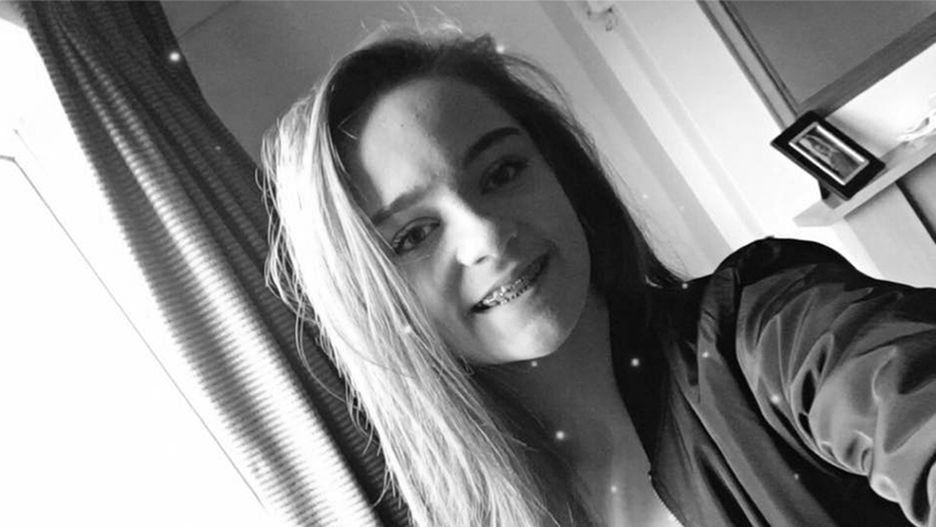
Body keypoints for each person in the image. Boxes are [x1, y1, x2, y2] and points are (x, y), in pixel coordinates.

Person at [260, 27, 936, 527]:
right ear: (370, 304)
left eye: (502, 172)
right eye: (412, 235)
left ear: (562, 173)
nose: (486, 236)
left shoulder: (763, 331)